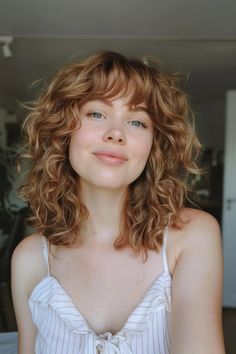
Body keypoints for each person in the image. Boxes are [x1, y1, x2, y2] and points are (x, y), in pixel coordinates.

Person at [11, 51, 225, 354]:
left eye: (137, 121)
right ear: (64, 131)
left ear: (154, 146)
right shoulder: (29, 259)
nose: (116, 134)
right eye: (97, 114)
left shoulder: (191, 236)